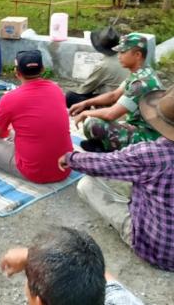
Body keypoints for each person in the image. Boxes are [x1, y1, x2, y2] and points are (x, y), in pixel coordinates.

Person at [58, 85, 174, 272]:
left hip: (159, 250)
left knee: (87, 184)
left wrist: (70, 158)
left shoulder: (151, 154)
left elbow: (106, 163)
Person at [0, 50, 73, 183]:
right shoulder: (56, 89)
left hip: (36, 172)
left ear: (17, 72)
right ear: (43, 69)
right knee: (23, 130)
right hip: (66, 166)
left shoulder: (9, 98)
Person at [0, 227, 144, 305]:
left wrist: (31, 257)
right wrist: (34, 256)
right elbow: (98, 273)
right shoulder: (121, 300)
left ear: (38, 302)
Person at [69, 33, 162, 152]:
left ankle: (111, 150)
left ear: (138, 55)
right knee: (96, 111)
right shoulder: (143, 72)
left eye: (123, 52)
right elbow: (113, 95)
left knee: (91, 122)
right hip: (142, 127)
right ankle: (104, 146)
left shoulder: (141, 83)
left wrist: (85, 113)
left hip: (147, 137)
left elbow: (111, 114)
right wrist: (85, 103)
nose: (118, 56)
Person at [66, 27, 128, 108]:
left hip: (112, 101)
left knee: (72, 97)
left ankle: (85, 116)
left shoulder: (104, 65)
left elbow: (85, 89)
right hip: (125, 98)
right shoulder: (125, 57)